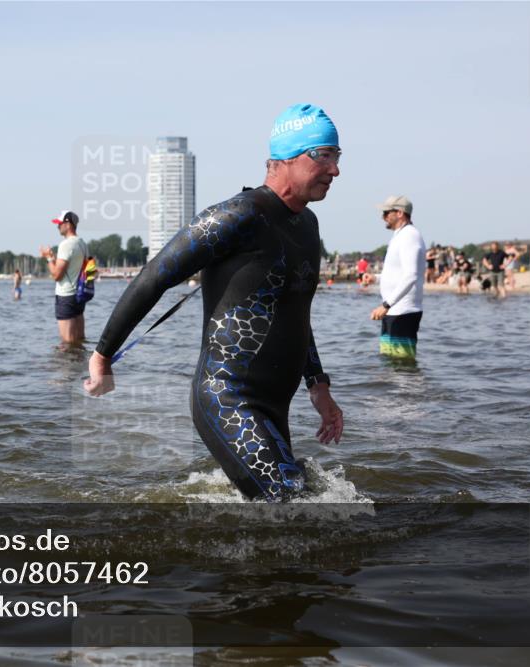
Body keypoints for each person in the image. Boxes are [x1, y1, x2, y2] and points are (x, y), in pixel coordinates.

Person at [84, 103, 344, 501]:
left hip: (275, 404)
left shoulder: (307, 225)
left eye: (337, 157)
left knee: (295, 508)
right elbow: (154, 277)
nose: (335, 170)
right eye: (324, 156)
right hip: (228, 398)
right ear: (287, 158)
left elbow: (294, 310)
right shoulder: (237, 216)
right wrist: (103, 356)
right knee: (293, 508)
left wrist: (318, 385)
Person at [370, 196, 426, 359]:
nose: (383, 217)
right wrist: (375, 278)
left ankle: (408, 386)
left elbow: (411, 275)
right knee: (390, 362)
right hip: (395, 310)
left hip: (403, 311)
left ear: (400, 213)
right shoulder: (400, 235)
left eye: (387, 212)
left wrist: (386, 305)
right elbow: (396, 274)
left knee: (401, 364)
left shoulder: (410, 236)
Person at [40, 210, 88, 344]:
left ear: (68, 224)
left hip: (66, 296)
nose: (58, 226)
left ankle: (68, 365)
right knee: (79, 340)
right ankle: (81, 364)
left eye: (60, 223)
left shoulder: (66, 244)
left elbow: (57, 275)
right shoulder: (82, 243)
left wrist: (49, 258)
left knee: (67, 344)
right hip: (79, 294)